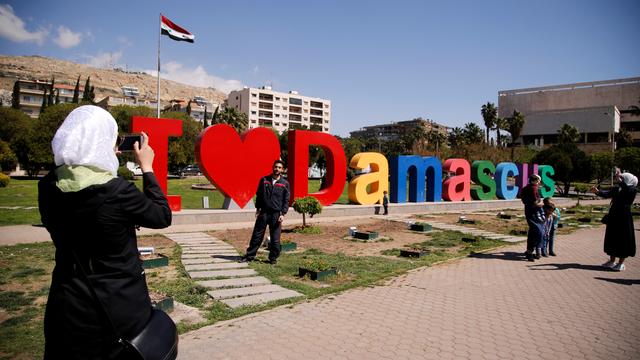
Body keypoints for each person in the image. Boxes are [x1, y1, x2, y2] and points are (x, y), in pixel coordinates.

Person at [38, 105, 172, 358]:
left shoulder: (47, 188)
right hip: (117, 305)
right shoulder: (118, 192)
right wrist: (147, 167)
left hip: (67, 303)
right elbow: (162, 215)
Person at [241, 160, 290, 265]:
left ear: (282, 170)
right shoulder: (264, 180)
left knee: (275, 238)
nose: (277, 169)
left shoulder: (284, 183)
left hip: (276, 215)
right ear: (273, 167)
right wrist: (258, 209)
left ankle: (273, 258)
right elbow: (259, 195)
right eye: (276, 167)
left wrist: (283, 214)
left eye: (279, 167)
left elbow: (286, 200)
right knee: (257, 236)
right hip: (263, 213)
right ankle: (250, 256)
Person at [592, 171, 637, 271]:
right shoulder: (618, 188)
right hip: (614, 217)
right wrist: (597, 191)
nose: (620, 179)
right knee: (612, 238)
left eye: (622, 178)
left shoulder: (632, 190)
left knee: (623, 240)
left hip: (624, 218)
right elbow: (607, 194)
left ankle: (620, 263)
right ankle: (612, 261)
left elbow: (626, 190)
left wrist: (619, 179)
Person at [520, 174, 544, 261]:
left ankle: (529, 251)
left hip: (528, 212)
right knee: (538, 232)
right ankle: (533, 251)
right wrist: (542, 204)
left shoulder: (525, 188)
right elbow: (536, 203)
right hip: (534, 213)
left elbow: (523, 200)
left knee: (532, 232)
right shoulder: (534, 188)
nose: (538, 183)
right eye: (538, 181)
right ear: (534, 181)